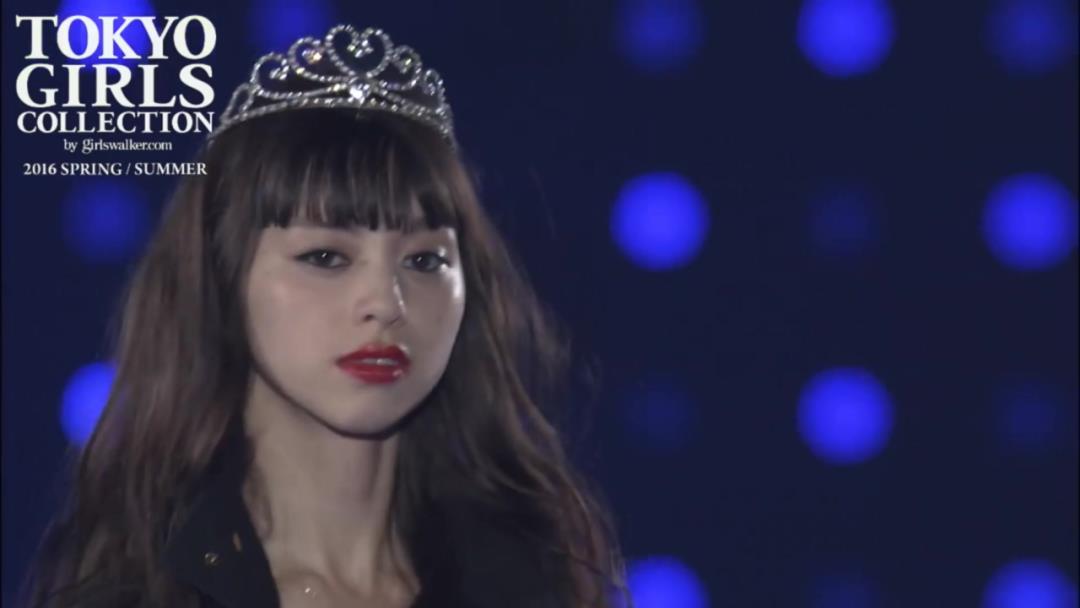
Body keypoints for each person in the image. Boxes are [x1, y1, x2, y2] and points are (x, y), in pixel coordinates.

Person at [18, 24, 628, 608]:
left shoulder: (534, 583)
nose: (385, 303)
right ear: (223, 278)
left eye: (424, 260)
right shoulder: (142, 595)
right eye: (326, 257)